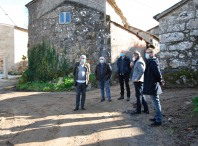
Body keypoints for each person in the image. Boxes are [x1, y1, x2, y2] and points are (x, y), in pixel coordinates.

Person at [143, 48, 165, 126]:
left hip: (154, 85)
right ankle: (156, 117)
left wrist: (161, 80)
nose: (146, 54)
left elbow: (158, 73)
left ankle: (158, 120)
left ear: (152, 53)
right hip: (151, 85)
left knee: (156, 103)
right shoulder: (151, 61)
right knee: (154, 103)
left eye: (147, 53)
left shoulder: (154, 61)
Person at [130, 50, 149, 115]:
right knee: (141, 95)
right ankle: (146, 109)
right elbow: (136, 70)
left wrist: (137, 78)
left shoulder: (139, 62)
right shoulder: (138, 61)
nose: (133, 57)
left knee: (138, 96)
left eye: (133, 56)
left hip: (138, 81)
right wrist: (132, 66)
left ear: (136, 55)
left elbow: (141, 71)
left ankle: (138, 110)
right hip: (138, 81)